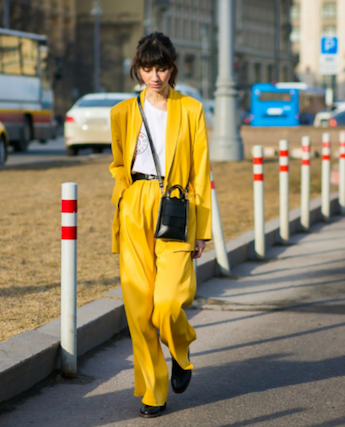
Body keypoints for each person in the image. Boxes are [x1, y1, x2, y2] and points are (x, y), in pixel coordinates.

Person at [108, 32, 212, 418]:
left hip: (177, 207)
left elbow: (201, 171)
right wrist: (125, 196)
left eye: (162, 68)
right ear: (138, 69)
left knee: (167, 303)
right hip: (136, 207)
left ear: (172, 69)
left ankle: (181, 347)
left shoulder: (191, 110)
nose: (155, 76)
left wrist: (202, 230)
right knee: (139, 310)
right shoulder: (121, 112)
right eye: (148, 68)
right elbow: (119, 163)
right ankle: (153, 391)